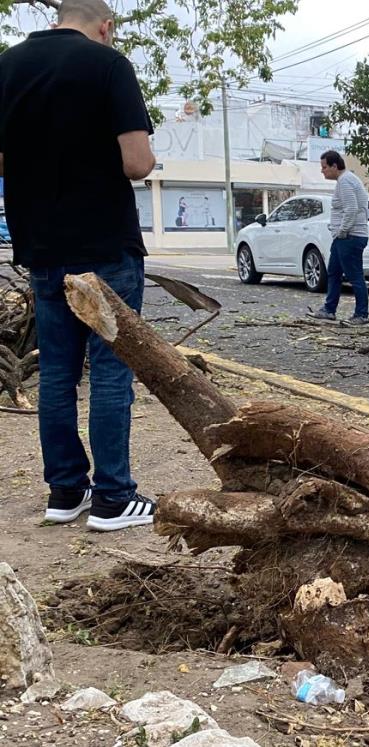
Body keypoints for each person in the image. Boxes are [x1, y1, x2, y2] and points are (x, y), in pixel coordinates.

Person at [0, 0, 158, 531]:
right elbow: (137, 162)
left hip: (41, 246)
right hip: (105, 245)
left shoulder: (8, 65)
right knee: (112, 371)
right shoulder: (109, 65)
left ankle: (65, 492)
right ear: (105, 26)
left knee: (59, 374)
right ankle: (114, 498)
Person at [308, 150, 369, 324]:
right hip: (342, 238)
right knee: (333, 272)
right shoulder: (345, 181)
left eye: (324, 167)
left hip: (350, 237)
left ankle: (361, 314)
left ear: (335, 166)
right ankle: (329, 309)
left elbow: (352, 208)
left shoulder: (346, 181)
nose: (322, 171)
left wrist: (342, 231)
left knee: (355, 275)